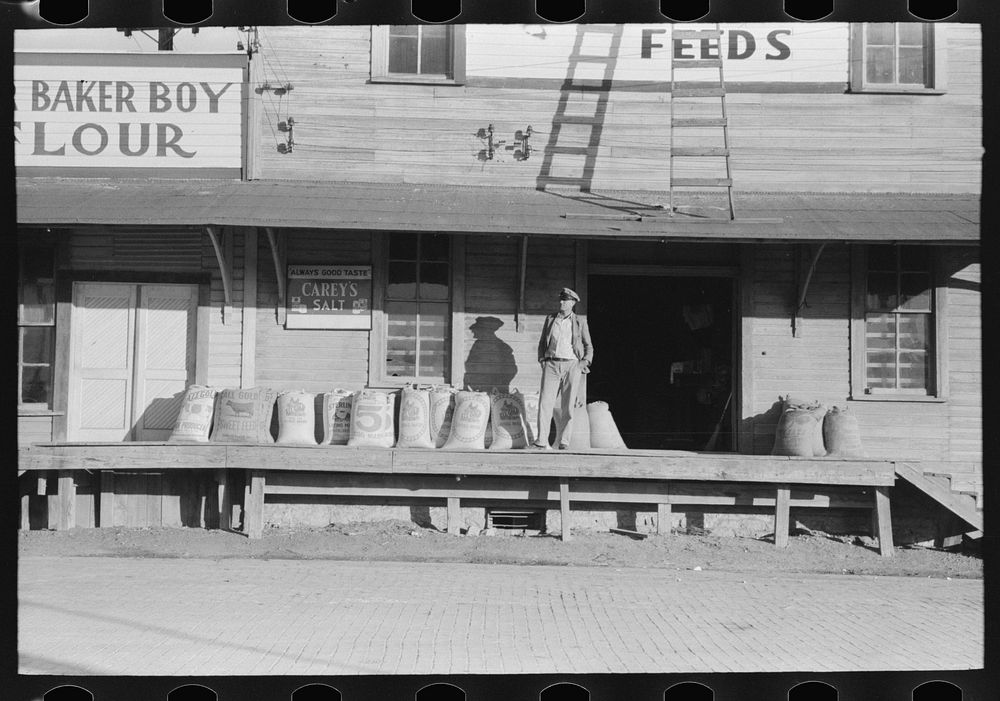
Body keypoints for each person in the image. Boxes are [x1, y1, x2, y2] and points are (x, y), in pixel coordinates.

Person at [530, 287, 594, 450]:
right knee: (545, 402)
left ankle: (564, 441)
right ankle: (541, 440)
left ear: (572, 303)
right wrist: (542, 358)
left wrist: (584, 362)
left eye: (565, 300)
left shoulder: (580, 321)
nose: (561, 302)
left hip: (572, 365)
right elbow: (542, 342)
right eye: (561, 299)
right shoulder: (551, 319)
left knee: (568, 404)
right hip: (551, 364)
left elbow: (589, 346)